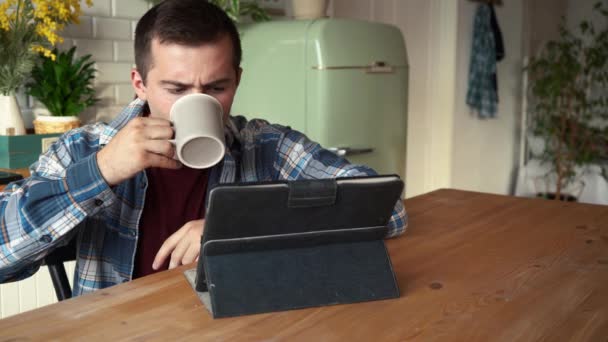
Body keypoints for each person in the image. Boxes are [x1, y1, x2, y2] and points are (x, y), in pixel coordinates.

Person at [0, 0, 407, 296]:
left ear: (237, 80)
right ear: (139, 84)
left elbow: (387, 210)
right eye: (176, 88)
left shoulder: (266, 145)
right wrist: (101, 171)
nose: (199, 101)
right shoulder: (84, 150)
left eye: (217, 87)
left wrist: (238, 226)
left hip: (237, 323)